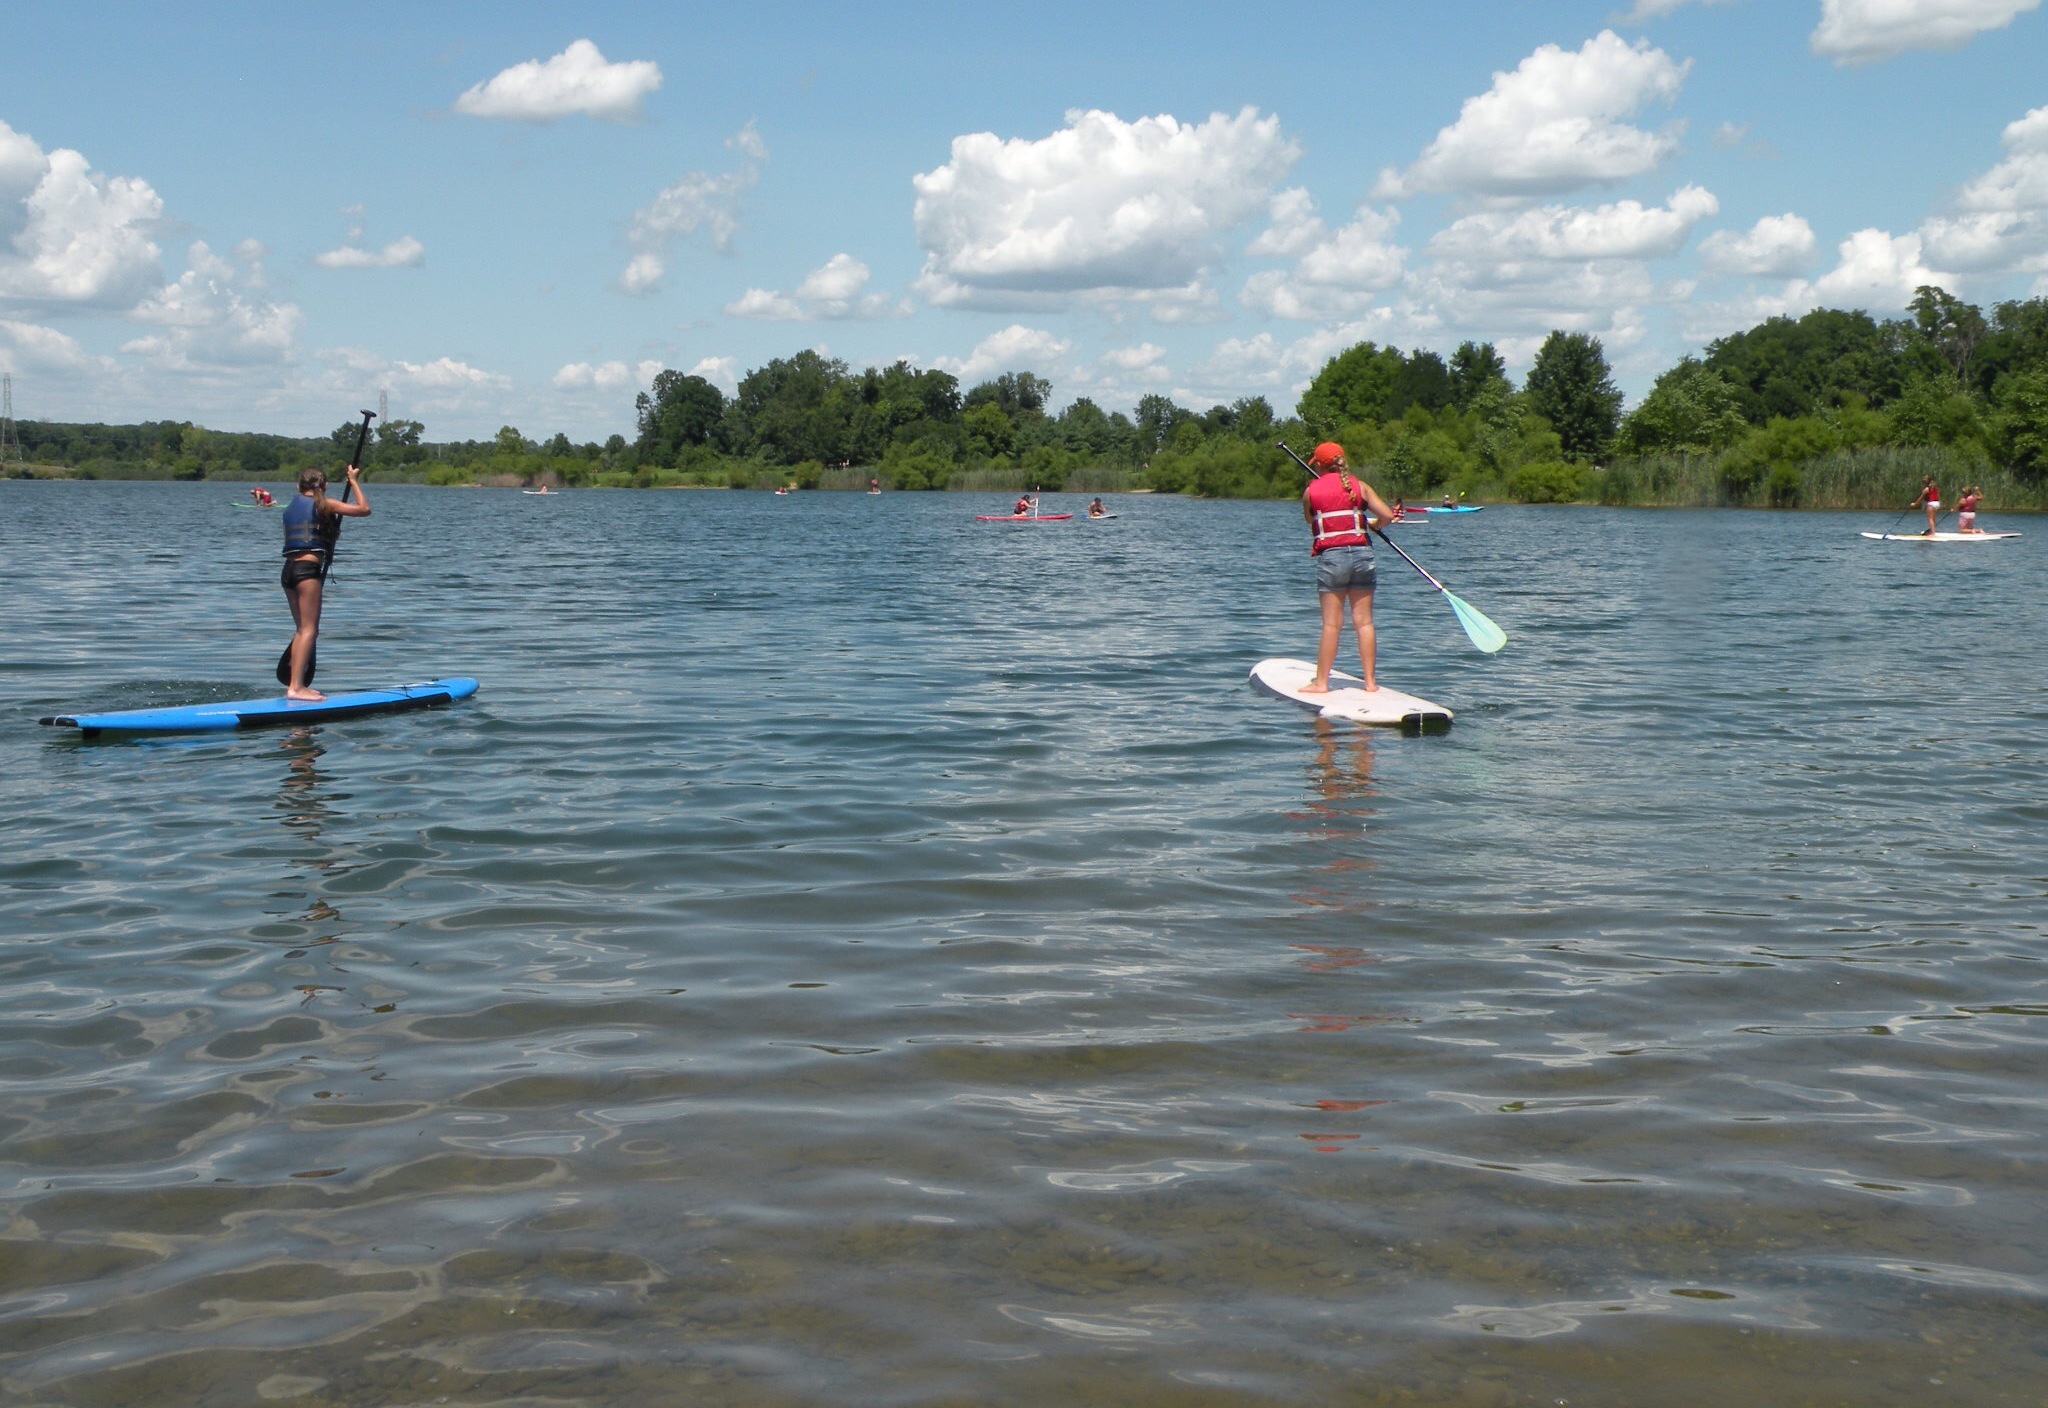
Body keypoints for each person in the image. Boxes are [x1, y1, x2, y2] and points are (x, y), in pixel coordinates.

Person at [1299, 442, 1395, 694]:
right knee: (1364, 622)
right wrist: (1372, 523)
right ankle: (1371, 683)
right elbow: (1386, 515)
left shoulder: (1311, 490)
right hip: (1363, 556)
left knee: (1332, 624)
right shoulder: (1360, 486)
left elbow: (1310, 519)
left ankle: (1321, 684)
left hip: (1333, 558)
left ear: (1319, 465)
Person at [280, 463, 371, 701]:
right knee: (310, 630)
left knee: (302, 630)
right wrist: (353, 482)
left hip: (288, 571)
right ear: (325, 485)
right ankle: (296, 688)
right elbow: (364, 509)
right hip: (307, 572)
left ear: (298, 486)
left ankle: (295, 685)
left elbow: (311, 531)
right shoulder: (326, 504)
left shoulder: (290, 506)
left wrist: (329, 532)